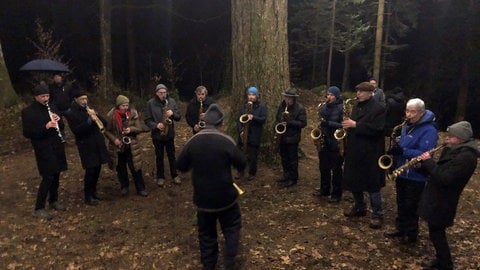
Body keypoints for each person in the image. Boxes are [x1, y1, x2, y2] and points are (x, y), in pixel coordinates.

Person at [176, 103, 246, 270]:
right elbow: (242, 163)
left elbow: (181, 166)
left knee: (206, 234)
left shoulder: (193, 142)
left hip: (203, 199)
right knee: (232, 227)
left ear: (205, 121)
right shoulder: (226, 141)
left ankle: (209, 264)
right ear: (221, 123)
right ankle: (229, 261)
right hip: (226, 198)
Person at [418, 121, 479, 270]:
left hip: (445, 199)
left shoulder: (466, 157)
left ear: (460, 139)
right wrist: (423, 166)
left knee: (437, 232)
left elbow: (446, 178)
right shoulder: (452, 149)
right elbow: (439, 170)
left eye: (450, 137)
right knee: (435, 231)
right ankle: (442, 260)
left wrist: (428, 162)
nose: (446, 139)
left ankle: (446, 264)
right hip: (437, 195)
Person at [384, 98, 438, 244]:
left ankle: (411, 234)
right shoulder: (406, 125)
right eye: (407, 111)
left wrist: (402, 150)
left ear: (421, 112)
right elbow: (402, 145)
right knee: (401, 202)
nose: (408, 115)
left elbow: (425, 153)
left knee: (412, 206)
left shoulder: (429, 130)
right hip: (402, 171)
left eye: (412, 112)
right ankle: (400, 229)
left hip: (416, 175)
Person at [342, 82, 386, 229]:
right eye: (357, 91)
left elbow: (378, 129)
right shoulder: (356, 106)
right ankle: (360, 206)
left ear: (370, 93)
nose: (358, 94)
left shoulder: (379, 108)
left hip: (371, 152)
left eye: (361, 91)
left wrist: (356, 125)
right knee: (354, 180)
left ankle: (377, 214)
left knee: (372, 184)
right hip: (355, 149)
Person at [22, 84, 68, 220]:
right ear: (36, 97)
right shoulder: (28, 112)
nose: (45, 98)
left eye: (47, 96)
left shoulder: (52, 107)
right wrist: (45, 126)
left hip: (56, 145)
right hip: (43, 147)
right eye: (42, 96)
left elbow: (62, 126)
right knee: (48, 176)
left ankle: (53, 200)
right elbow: (27, 132)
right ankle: (39, 207)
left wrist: (59, 121)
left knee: (57, 174)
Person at [66, 91, 110, 206]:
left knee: (97, 168)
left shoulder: (88, 109)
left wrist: (97, 115)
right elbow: (76, 130)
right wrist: (88, 122)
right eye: (82, 99)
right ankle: (88, 195)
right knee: (90, 170)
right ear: (76, 99)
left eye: (86, 98)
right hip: (86, 145)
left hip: (97, 143)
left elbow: (104, 123)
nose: (85, 101)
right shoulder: (72, 113)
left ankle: (94, 191)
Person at [104, 95, 148, 197]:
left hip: (131, 145)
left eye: (127, 105)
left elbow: (139, 128)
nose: (125, 107)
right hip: (118, 146)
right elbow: (106, 131)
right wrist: (114, 139)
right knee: (121, 167)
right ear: (118, 105)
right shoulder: (111, 116)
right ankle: (124, 186)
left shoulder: (133, 113)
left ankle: (141, 188)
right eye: (123, 105)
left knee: (135, 167)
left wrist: (130, 129)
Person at [144, 83, 182, 187]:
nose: (163, 95)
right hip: (157, 135)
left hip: (169, 134)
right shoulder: (150, 103)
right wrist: (156, 125)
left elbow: (178, 117)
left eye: (164, 92)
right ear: (156, 93)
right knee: (159, 156)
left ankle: (175, 175)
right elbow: (147, 119)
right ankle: (160, 176)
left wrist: (172, 114)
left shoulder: (172, 101)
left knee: (171, 156)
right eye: (161, 93)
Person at [312, 86, 344, 203]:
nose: (328, 97)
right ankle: (324, 189)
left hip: (336, 141)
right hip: (324, 140)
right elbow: (321, 122)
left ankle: (336, 194)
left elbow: (343, 125)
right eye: (328, 94)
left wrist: (328, 123)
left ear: (336, 96)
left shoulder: (342, 108)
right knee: (323, 167)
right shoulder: (323, 107)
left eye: (331, 95)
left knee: (336, 170)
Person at [274, 88, 307, 188]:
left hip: (293, 137)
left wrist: (290, 122)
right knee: (284, 157)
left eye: (289, 98)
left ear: (293, 99)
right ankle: (286, 175)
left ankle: (293, 178)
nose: (287, 100)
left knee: (292, 158)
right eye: (286, 97)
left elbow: (303, 123)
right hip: (282, 136)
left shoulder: (300, 108)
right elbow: (277, 118)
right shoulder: (282, 106)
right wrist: (278, 124)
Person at [236, 86, 267, 181]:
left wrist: (253, 117)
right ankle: (240, 171)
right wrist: (241, 131)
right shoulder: (243, 107)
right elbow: (238, 120)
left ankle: (252, 173)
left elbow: (263, 119)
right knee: (240, 154)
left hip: (255, 134)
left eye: (253, 95)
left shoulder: (262, 107)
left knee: (253, 155)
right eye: (249, 94)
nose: (251, 96)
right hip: (244, 134)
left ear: (257, 96)